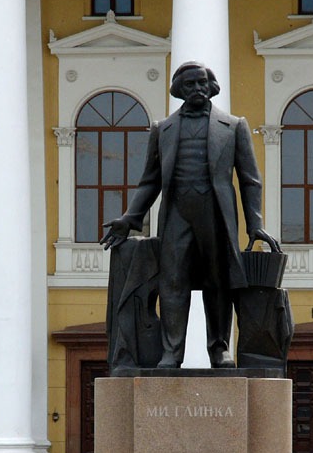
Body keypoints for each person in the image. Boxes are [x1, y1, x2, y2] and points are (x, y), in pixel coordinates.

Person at [100, 61, 279, 368]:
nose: (196, 89)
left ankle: (220, 348)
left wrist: (255, 224)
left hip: (215, 213)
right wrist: (130, 218)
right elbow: (150, 181)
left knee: (218, 282)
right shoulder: (163, 129)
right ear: (178, 90)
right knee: (173, 282)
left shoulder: (234, 126)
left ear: (211, 87)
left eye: (201, 83)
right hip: (177, 213)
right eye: (189, 84)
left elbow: (250, 179)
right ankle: (172, 351)